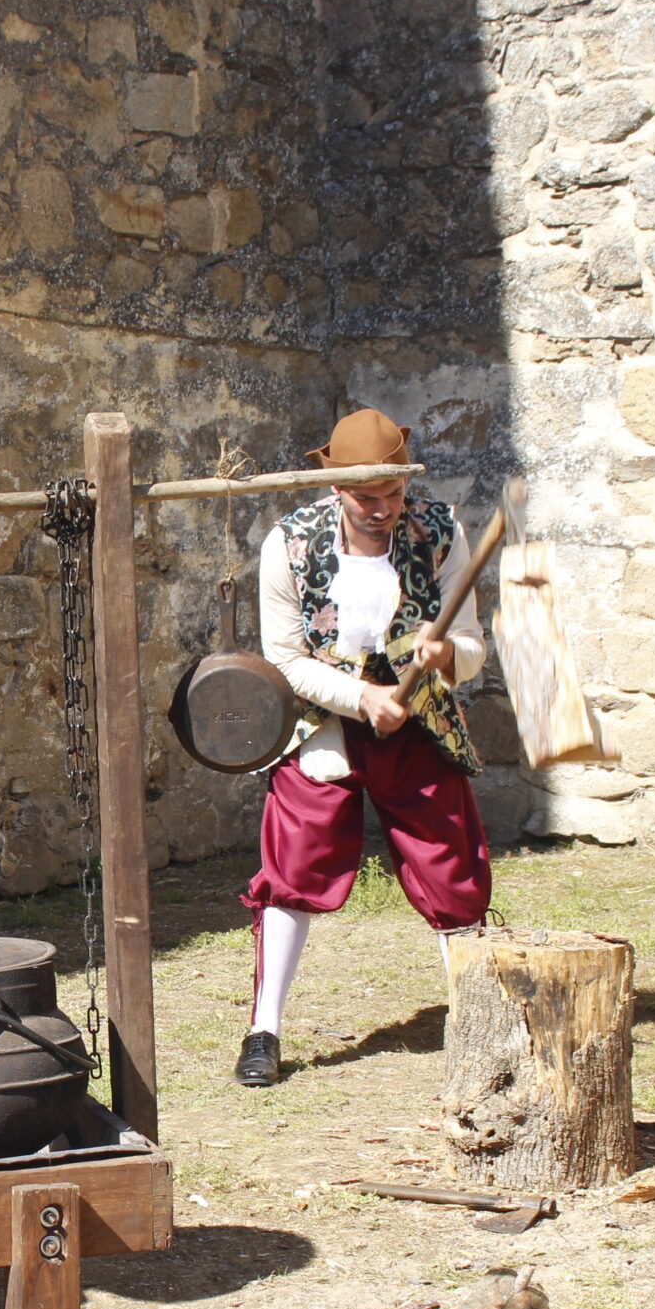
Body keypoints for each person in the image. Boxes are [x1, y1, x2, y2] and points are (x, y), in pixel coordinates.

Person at [233, 408, 492, 1087]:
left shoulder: (440, 532)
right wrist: (363, 699)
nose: (382, 510)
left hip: (420, 720)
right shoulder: (289, 545)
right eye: (366, 497)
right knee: (295, 862)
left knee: (451, 865)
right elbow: (286, 660)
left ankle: (479, 1022)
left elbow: (471, 645)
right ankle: (264, 1029)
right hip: (326, 720)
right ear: (337, 489)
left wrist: (445, 655)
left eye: (394, 494)